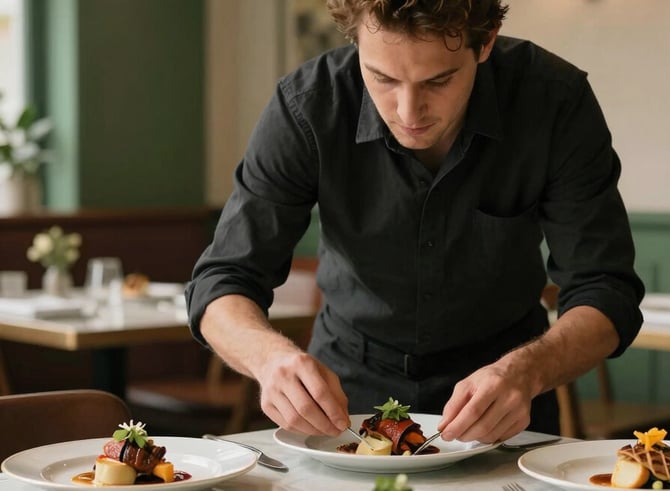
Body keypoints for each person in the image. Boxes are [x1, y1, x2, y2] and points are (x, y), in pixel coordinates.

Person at [186, 0, 644, 444]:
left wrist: (526, 372)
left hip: (506, 393)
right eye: (382, 78)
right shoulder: (307, 106)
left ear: (484, 44)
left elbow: (605, 289)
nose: (408, 112)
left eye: (438, 80)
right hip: (343, 398)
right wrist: (270, 360)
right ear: (356, 43)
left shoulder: (554, 100)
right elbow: (224, 280)